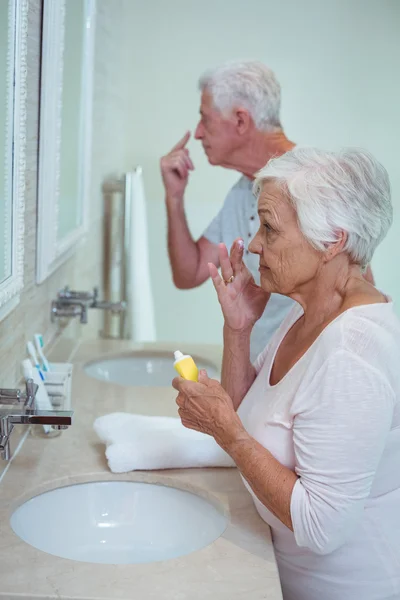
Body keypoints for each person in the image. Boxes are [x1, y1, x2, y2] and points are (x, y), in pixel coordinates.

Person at [172, 147, 399, 600]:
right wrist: (239, 327)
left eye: (270, 228)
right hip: (285, 577)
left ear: (332, 239)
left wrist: (228, 434)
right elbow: (253, 413)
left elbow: (321, 527)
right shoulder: (309, 314)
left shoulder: (351, 356)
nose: (254, 244)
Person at [161, 61, 374, 360]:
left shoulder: (315, 183)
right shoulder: (241, 191)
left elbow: (359, 296)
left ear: (240, 120)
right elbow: (189, 273)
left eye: (205, 120)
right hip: (263, 382)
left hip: (304, 387)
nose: (197, 133)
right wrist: (174, 197)